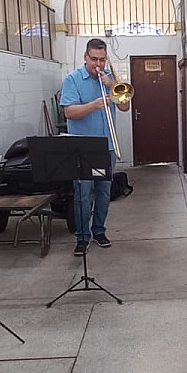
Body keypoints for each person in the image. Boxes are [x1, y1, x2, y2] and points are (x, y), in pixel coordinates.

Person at [60, 38, 131, 256]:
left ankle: (99, 230)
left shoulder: (110, 79)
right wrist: (93, 105)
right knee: (82, 193)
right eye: (94, 59)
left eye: (102, 59)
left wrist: (112, 86)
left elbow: (126, 106)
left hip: (107, 146)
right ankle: (82, 237)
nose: (98, 64)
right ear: (85, 57)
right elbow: (69, 112)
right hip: (81, 147)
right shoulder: (72, 79)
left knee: (103, 191)